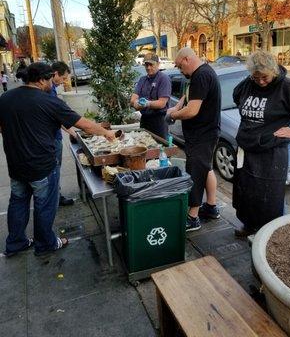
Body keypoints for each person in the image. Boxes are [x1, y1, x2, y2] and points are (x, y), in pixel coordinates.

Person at [0, 62, 115, 257]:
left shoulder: (5, 98)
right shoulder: (48, 101)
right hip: (42, 166)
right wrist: (106, 133)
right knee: (44, 204)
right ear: (42, 79)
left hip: (16, 164)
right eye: (50, 80)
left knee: (18, 202)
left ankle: (15, 242)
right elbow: (85, 125)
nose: (52, 84)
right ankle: (45, 243)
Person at [232, 50, 290, 237]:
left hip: (272, 152)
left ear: (274, 71)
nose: (261, 82)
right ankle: (249, 226)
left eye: (265, 77)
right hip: (247, 148)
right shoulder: (248, 83)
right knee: (246, 191)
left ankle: (270, 236)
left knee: (269, 198)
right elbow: (237, 96)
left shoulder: (288, 87)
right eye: (256, 78)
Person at [166, 47, 221, 231]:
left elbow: (192, 111)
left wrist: (173, 116)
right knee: (206, 168)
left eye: (180, 66)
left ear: (187, 59)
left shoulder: (201, 75)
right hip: (204, 133)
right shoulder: (197, 75)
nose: (180, 71)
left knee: (195, 172)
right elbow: (188, 97)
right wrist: (177, 106)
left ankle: (193, 216)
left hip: (203, 134)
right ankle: (212, 207)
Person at [51, 61, 77, 206]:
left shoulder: (52, 89)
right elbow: (58, 116)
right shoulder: (49, 90)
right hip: (52, 139)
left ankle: (55, 196)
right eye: (63, 78)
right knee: (54, 170)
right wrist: (72, 131)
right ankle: (55, 198)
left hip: (54, 136)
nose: (64, 81)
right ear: (55, 74)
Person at [130, 53, 171, 139]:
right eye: (146, 65)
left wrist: (147, 104)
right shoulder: (142, 80)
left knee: (160, 147)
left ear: (158, 64)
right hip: (145, 119)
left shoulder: (163, 79)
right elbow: (133, 98)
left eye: (151, 64)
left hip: (159, 121)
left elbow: (162, 103)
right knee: (143, 145)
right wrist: (135, 103)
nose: (148, 67)